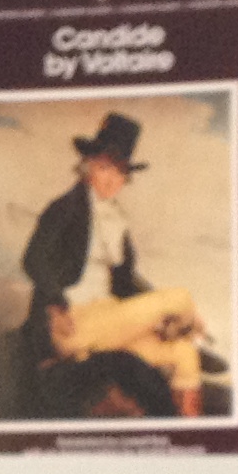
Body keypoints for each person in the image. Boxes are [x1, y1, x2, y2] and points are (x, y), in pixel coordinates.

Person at [15, 111, 223, 419]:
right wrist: (56, 303)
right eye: (104, 168)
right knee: (180, 297)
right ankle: (191, 329)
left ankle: (189, 437)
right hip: (73, 323)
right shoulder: (65, 208)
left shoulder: (117, 221)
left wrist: (157, 312)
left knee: (183, 353)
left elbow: (126, 283)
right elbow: (33, 259)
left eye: (120, 172)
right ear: (87, 167)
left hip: (109, 321)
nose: (112, 179)